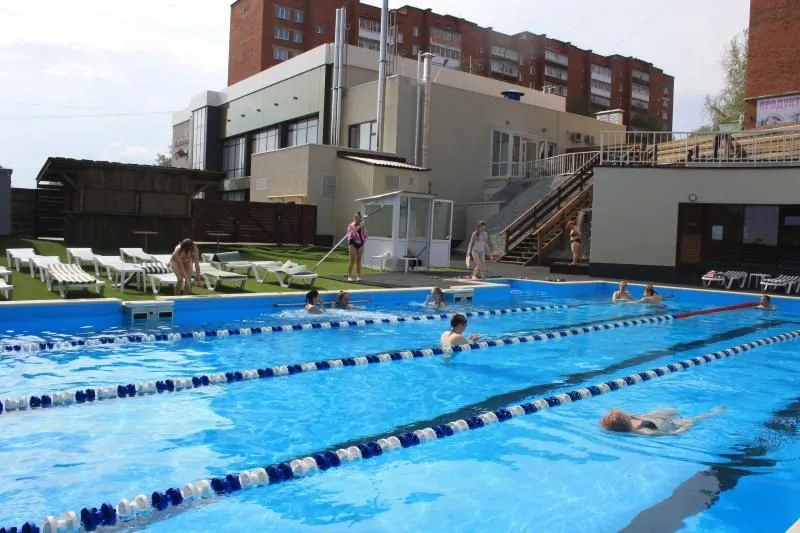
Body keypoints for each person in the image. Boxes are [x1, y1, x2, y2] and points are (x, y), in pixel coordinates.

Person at [600, 406, 725, 436]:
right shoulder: (643, 431)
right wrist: (684, 428)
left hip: (655, 418)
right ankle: (714, 412)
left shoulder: (630, 419)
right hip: (664, 423)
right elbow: (672, 433)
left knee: (674, 410)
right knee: (693, 419)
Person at [346, 212, 368, 282]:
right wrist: (358, 228)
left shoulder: (362, 225)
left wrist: (362, 229)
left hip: (360, 243)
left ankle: (358, 276)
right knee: (352, 260)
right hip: (353, 243)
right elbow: (350, 235)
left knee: (358, 260)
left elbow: (365, 234)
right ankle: (349, 276)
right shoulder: (351, 225)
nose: (356, 218)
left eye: (358, 217)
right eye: (355, 217)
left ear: (360, 218)